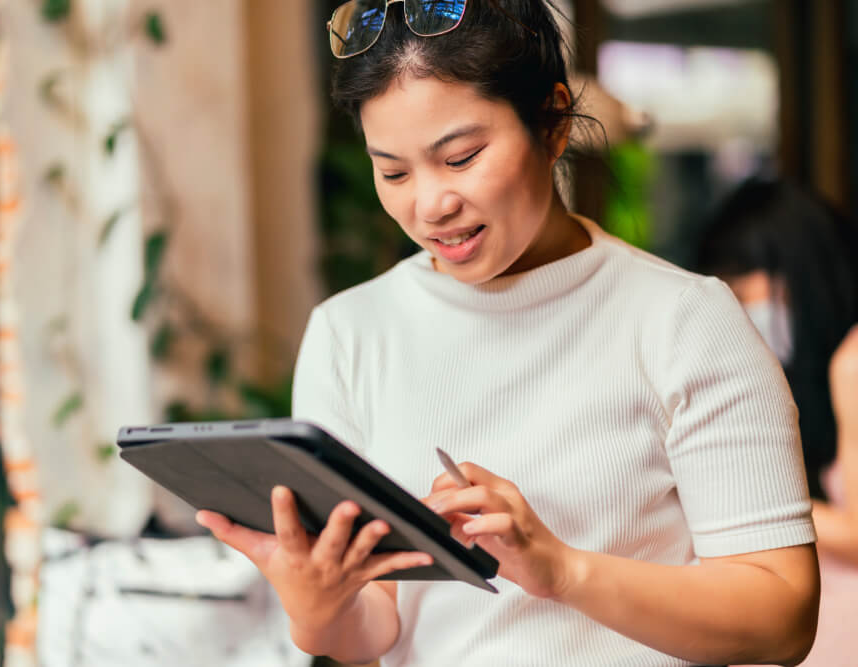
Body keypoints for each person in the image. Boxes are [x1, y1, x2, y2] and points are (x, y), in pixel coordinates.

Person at [196, 1, 820, 665]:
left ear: (553, 121)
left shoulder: (685, 320)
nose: (430, 205)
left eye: (461, 157)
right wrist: (320, 607)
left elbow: (781, 614)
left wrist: (563, 570)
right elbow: (374, 625)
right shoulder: (350, 333)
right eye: (394, 171)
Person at [696, 177, 858, 667]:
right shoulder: (811, 374)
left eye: (741, 293)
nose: (738, 315)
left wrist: (740, 497)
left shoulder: (851, 364)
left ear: (797, 271)